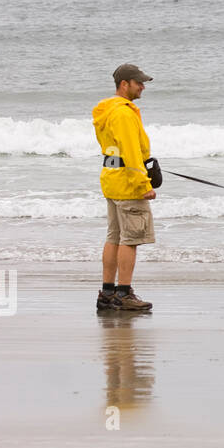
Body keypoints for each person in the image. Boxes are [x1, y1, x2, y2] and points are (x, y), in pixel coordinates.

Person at [92, 63, 157, 311]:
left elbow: (114, 149)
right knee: (130, 240)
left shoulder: (107, 110)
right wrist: (143, 184)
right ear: (124, 84)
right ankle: (123, 293)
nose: (142, 87)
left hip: (112, 178)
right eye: (138, 82)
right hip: (129, 183)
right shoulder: (123, 113)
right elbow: (130, 150)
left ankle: (108, 293)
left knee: (114, 237)